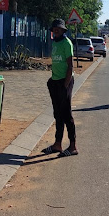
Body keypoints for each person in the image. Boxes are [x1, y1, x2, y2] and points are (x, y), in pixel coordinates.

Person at [41, 19, 78, 157]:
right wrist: (52, 81)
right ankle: (57, 144)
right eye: (54, 28)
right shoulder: (55, 42)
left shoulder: (66, 43)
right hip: (55, 81)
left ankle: (73, 146)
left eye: (59, 28)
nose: (56, 30)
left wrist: (65, 85)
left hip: (65, 82)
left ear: (63, 30)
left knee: (66, 114)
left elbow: (70, 66)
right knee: (57, 114)